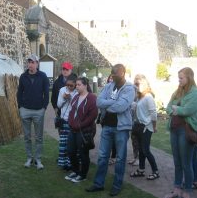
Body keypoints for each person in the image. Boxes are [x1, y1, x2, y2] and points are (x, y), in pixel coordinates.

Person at [86, 64, 135, 196]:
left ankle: (117, 185)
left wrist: (108, 103)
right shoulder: (109, 86)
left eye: (115, 74)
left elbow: (121, 107)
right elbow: (98, 102)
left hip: (121, 128)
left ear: (123, 73)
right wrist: (112, 103)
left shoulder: (129, 89)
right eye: (112, 73)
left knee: (120, 158)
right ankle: (98, 184)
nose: (112, 76)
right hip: (107, 126)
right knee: (102, 156)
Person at [164, 67, 197, 198]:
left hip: (186, 130)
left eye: (181, 78)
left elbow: (189, 110)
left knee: (186, 163)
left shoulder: (196, 93)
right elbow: (168, 106)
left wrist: (177, 109)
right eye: (179, 78)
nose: (179, 80)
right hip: (174, 130)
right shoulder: (177, 92)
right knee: (177, 162)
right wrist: (174, 109)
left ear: (189, 78)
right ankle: (177, 189)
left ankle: (187, 190)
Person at [17, 54, 49, 170]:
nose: (30, 64)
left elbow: (46, 93)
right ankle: (29, 158)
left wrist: (44, 108)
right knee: (27, 137)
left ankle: (38, 159)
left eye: (33, 62)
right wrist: (20, 107)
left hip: (38, 111)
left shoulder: (43, 76)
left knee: (39, 137)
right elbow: (19, 93)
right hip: (25, 110)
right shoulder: (23, 76)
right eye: (29, 62)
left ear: (37, 63)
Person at [64, 77, 98, 183]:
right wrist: (71, 123)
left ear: (85, 85)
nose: (76, 86)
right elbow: (70, 111)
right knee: (70, 151)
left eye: (79, 85)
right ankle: (75, 171)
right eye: (76, 84)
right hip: (73, 129)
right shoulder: (75, 97)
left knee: (83, 153)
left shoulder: (92, 98)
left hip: (84, 131)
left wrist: (80, 125)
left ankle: (83, 175)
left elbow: (92, 116)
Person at [129, 74, 159, 180]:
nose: (136, 86)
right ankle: (141, 170)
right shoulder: (139, 96)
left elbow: (153, 114)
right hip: (138, 126)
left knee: (146, 150)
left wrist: (154, 127)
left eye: (138, 84)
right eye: (135, 84)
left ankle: (155, 171)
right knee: (141, 150)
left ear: (144, 84)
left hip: (146, 127)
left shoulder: (148, 97)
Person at [57, 74, 78, 171]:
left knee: (72, 144)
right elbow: (59, 105)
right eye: (67, 85)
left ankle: (72, 164)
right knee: (64, 143)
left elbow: (77, 107)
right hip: (64, 120)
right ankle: (64, 163)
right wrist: (65, 98)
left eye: (71, 86)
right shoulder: (62, 90)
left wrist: (70, 98)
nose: (69, 87)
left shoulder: (78, 92)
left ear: (75, 85)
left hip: (73, 121)